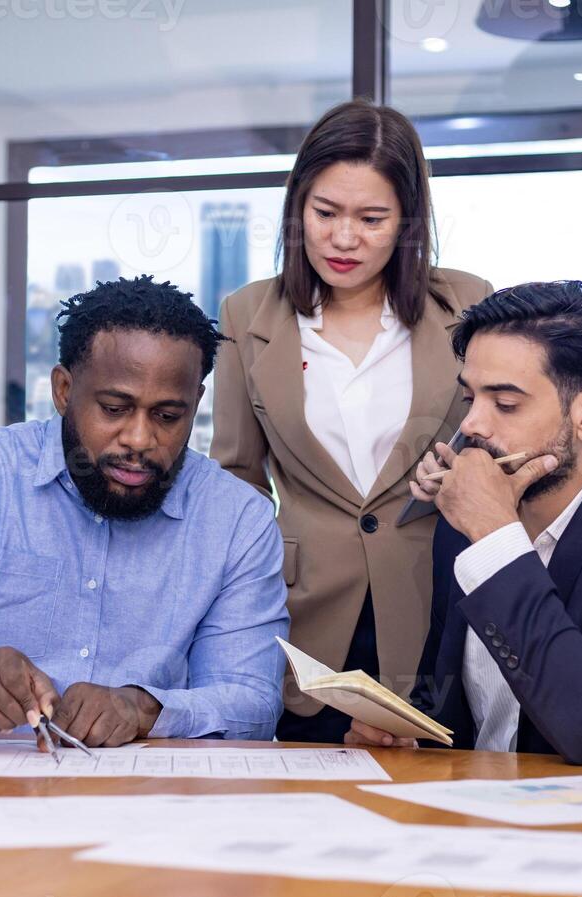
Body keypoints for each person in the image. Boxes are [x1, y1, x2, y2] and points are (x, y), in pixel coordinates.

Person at [0, 277, 289, 745]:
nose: (139, 439)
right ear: (62, 389)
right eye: (115, 408)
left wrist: (145, 708)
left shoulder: (238, 521)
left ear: (195, 404)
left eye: (167, 416)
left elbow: (252, 702)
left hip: (154, 805)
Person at [346, 281, 582, 764]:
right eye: (471, 399)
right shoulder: (466, 509)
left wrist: (495, 535)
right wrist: (410, 735)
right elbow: (454, 704)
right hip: (470, 813)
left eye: (505, 404)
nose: (472, 426)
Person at [211, 98, 492, 743]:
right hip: (303, 615)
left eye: (372, 218)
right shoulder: (246, 314)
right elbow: (237, 478)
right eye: (325, 213)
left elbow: (497, 434)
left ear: (407, 222)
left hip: (438, 603)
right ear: (296, 208)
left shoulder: (469, 302)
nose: (343, 239)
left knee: (437, 809)